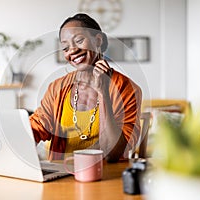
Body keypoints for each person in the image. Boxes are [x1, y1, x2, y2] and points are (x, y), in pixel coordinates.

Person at [30, 13, 142, 162]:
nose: (72, 50)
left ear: (98, 40)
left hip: (106, 177)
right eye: (65, 47)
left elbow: (113, 153)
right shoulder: (57, 88)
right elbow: (37, 127)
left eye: (79, 40)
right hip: (62, 178)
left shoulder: (127, 89)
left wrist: (103, 93)